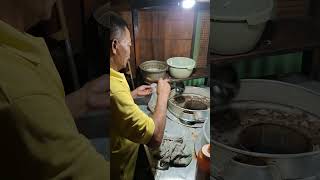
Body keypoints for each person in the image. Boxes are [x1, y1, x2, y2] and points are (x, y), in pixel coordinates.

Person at [0, 0, 109, 179]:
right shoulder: (17, 89)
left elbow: (28, 119)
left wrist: (83, 99)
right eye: (126, 43)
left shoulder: (14, 44)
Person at [109, 12, 171, 180]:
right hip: (121, 171)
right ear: (115, 46)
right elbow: (155, 137)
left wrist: (132, 94)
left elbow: (114, 104)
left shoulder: (111, 77)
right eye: (128, 45)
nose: (129, 52)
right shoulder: (114, 89)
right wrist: (163, 95)